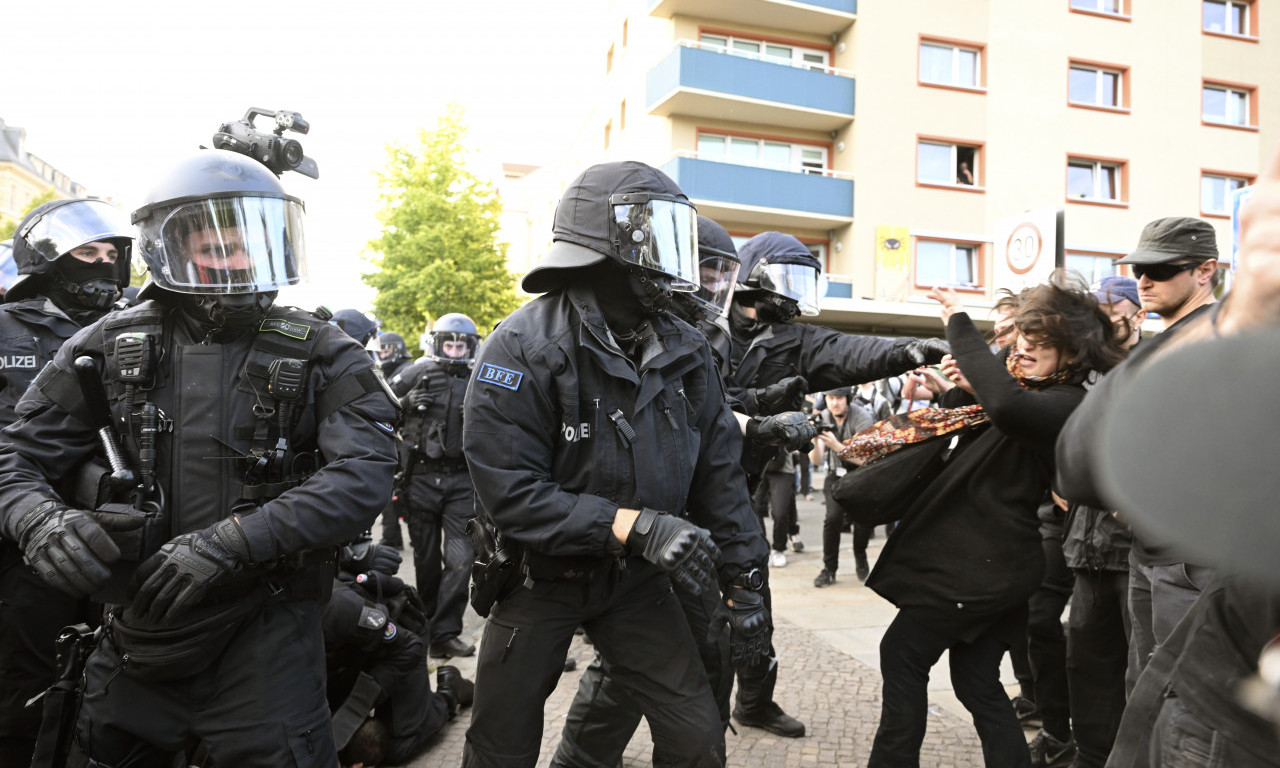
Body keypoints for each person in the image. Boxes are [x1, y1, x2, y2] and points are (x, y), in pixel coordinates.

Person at [0, 148, 399, 766]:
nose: (235, 260)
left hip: (269, 632)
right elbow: (15, 457)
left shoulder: (324, 350)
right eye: (214, 244)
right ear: (172, 247)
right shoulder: (105, 345)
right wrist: (37, 519)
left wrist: (233, 542)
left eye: (249, 243)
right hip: (136, 628)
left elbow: (365, 474)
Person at [461, 161, 770, 768]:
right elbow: (511, 492)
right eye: (659, 238)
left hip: (635, 582)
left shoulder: (687, 350)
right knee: (501, 744)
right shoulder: (521, 347)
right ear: (606, 247)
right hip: (537, 577)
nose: (680, 264)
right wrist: (637, 525)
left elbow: (720, 483)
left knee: (697, 735)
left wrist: (746, 586)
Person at [860, 275, 1126, 768]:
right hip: (992, 563)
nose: (1022, 350)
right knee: (977, 682)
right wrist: (962, 387)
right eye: (1020, 339)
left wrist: (957, 319)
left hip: (983, 567)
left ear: (1070, 355)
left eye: (1039, 344)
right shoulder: (1031, 394)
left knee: (902, 655)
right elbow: (989, 426)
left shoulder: (1067, 404)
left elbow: (1007, 407)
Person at [723, 230, 949, 738]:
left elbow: (850, 351)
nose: (794, 292)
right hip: (682, 482)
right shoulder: (704, 326)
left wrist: (912, 351)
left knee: (754, 603)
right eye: (786, 278)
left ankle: (754, 703)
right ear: (753, 279)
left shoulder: (794, 339)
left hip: (740, 485)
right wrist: (756, 406)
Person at [1055, 218, 1220, 714]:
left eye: (1160, 269)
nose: (1144, 279)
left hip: (1190, 556)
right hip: (1149, 551)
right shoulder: (1166, 340)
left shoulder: (1215, 338)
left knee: (1178, 696)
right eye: (1138, 268)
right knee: (1144, 688)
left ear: (1205, 271)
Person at [0, 199, 133, 766]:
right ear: (51, 262)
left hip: (118, 537)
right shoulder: (6, 326)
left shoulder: (133, 330)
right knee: (25, 692)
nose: (101, 265)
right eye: (86, 253)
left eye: (111, 255)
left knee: (111, 685)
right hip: (23, 541)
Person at [387, 312, 483, 659]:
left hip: (462, 481)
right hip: (421, 479)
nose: (456, 350)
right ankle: (427, 628)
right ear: (438, 343)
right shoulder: (415, 372)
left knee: (461, 561)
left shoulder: (479, 376)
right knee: (425, 561)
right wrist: (404, 406)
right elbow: (377, 408)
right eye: (450, 344)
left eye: (462, 345)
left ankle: (445, 632)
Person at [810, 386, 874, 587]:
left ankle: (860, 555)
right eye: (830, 398)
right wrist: (813, 438)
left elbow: (866, 458)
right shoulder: (823, 417)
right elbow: (817, 461)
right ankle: (829, 569)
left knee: (863, 520)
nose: (834, 403)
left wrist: (837, 446)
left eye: (838, 398)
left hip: (861, 475)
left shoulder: (862, 417)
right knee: (832, 519)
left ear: (847, 399)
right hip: (835, 476)